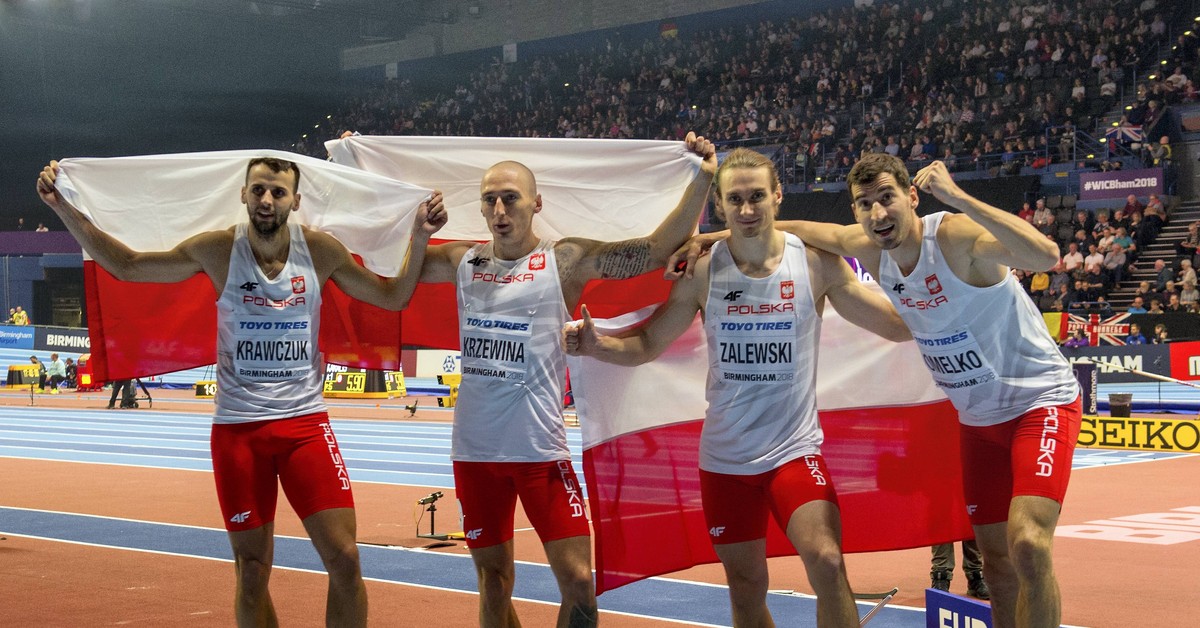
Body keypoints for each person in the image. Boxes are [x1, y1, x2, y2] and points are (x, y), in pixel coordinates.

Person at [671, 155, 1082, 628]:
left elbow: (1045, 255)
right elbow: (783, 228)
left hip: (1038, 401)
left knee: (1028, 543)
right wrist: (711, 236)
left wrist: (958, 196)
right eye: (865, 204)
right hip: (977, 420)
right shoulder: (865, 245)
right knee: (996, 563)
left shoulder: (953, 236)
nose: (878, 214)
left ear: (911, 197)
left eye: (887, 198)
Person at [39, 155, 447, 627]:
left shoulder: (319, 251)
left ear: (295, 200)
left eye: (277, 192)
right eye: (258, 190)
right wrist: (62, 207)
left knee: (346, 558)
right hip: (238, 432)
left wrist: (419, 237)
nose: (267, 200)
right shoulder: (217, 250)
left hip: (304, 427)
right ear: (243, 195)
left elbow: (393, 296)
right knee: (252, 571)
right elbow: (128, 266)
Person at [564, 147, 909, 627]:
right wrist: (596, 345)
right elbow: (646, 344)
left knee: (828, 562)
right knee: (746, 589)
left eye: (757, 197)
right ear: (721, 205)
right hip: (725, 462)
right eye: (736, 199)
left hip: (793, 452)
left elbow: (895, 327)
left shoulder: (815, 265)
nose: (747, 210)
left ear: (778, 197)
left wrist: (941, 287)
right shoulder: (702, 273)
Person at [412, 132, 717, 627]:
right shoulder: (461, 261)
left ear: (536, 203)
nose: (499, 210)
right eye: (489, 200)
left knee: (579, 584)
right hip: (475, 453)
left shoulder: (563, 259)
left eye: (510, 198)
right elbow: (382, 261)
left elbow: (654, 249)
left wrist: (703, 177)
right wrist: (354, 175)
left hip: (540, 452)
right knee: (494, 584)